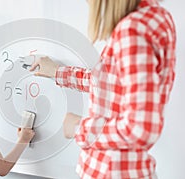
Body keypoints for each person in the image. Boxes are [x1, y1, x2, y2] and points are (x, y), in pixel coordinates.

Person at [30, 0, 176, 178]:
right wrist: (58, 73)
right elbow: (111, 82)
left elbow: (140, 128)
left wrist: (78, 127)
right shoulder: (156, 17)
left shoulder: (131, 31)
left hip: (113, 171)